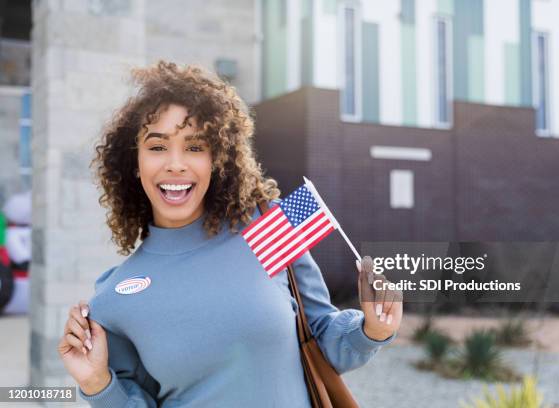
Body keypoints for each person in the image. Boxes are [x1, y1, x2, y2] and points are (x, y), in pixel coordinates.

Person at [57, 61, 403, 407]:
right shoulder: (115, 298)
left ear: (217, 158)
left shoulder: (266, 227)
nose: (175, 163)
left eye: (194, 147)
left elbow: (323, 338)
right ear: (135, 162)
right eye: (157, 147)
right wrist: (97, 382)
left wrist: (372, 330)